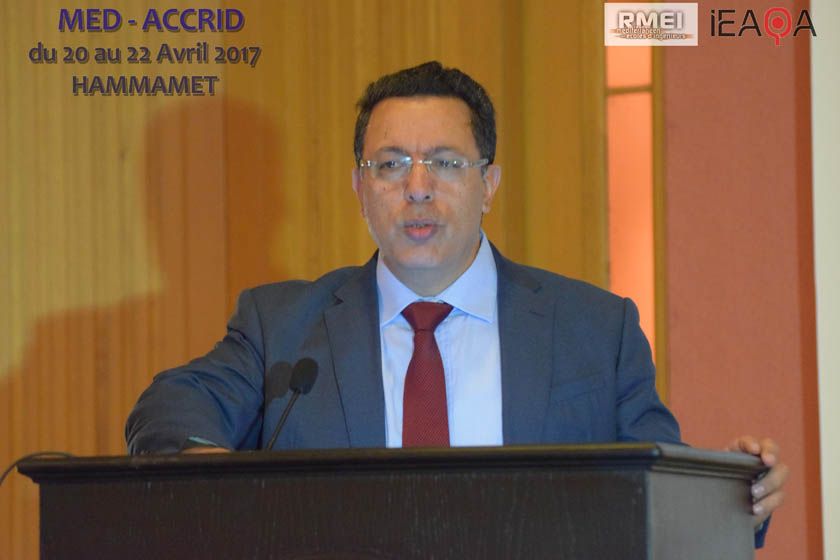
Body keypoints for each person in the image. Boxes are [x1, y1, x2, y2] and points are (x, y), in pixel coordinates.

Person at [125, 61, 787, 545]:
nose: (417, 188)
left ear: (489, 184)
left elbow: (664, 498)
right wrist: (213, 478)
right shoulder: (283, 327)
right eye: (390, 165)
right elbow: (169, 411)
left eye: (445, 163)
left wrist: (737, 491)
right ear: (359, 188)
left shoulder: (596, 330)